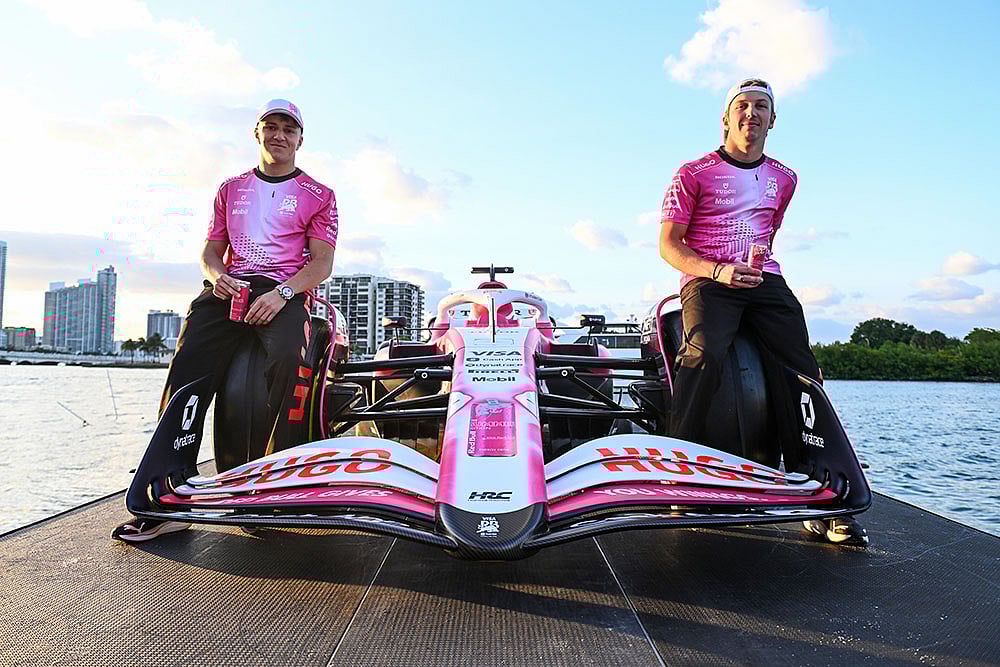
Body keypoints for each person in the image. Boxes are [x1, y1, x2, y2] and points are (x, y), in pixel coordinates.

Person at [113, 99, 339, 542]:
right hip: (229, 290)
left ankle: (269, 490)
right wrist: (217, 277)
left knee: (286, 366)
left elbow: (322, 263)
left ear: (300, 139)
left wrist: (284, 294)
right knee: (187, 367)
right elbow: (211, 250)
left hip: (283, 292)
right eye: (270, 127)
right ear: (257, 133)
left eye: (288, 129)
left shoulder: (319, 194)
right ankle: (167, 494)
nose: (279, 135)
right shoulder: (230, 188)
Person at [658, 78, 867, 546]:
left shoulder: (785, 178)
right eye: (743, 106)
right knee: (706, 354)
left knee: (802, 367)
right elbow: (669, 246)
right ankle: (678, 472)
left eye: (761, 107)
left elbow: (767, 234)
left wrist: (752, 273)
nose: (751, 114)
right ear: (727, 118)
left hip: (764, 278)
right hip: (709, 278)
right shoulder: (693, 172)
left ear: (773, 120)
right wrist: (718, 272)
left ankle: (815, 483)